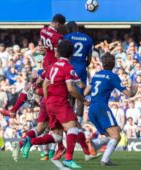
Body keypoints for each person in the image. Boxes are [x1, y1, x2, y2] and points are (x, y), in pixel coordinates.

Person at [3, 14, 66, 162]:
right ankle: (58, 151)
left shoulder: (43, 31)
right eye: (61, 25)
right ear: (58, 23)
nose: (62, 27)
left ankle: (15, 119)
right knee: (59, 128)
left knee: (41, 126)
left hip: (46, 67)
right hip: (52, 71)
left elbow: (43, 47)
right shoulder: (58, 37)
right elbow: (57, 53)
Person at [22, 40, 91, 168]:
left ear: (58, 52)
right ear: (71, 54)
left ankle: (30, 141)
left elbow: (45, 84)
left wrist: (47, 101)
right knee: (74, 127)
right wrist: (84, 100)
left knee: (57, 137)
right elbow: (71, 89)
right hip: (61, 103)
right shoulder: (68, 67)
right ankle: (69, 159)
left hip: (50, 103)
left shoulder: (52, 67)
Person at [84, 52, 134, 166]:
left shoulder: (97, 74)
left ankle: (94, 144)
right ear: (113, 63)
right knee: (116, 136)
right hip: (102, 108)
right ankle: (104, 159)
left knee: (115, 135)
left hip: (92, 109)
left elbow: (86, 92)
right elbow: (127, 93)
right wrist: (134, 91)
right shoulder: (112, 76)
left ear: (102, 63)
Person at [64, 21, 93, 123]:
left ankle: (70, 122)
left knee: (70, 95)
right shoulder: (88, 39)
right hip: (81, 68)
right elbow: (89, 59)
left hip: (69, 68)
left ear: (68, 29)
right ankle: (79, 124)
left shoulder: (67, 37)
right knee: (80, 97)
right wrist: (82, 64)